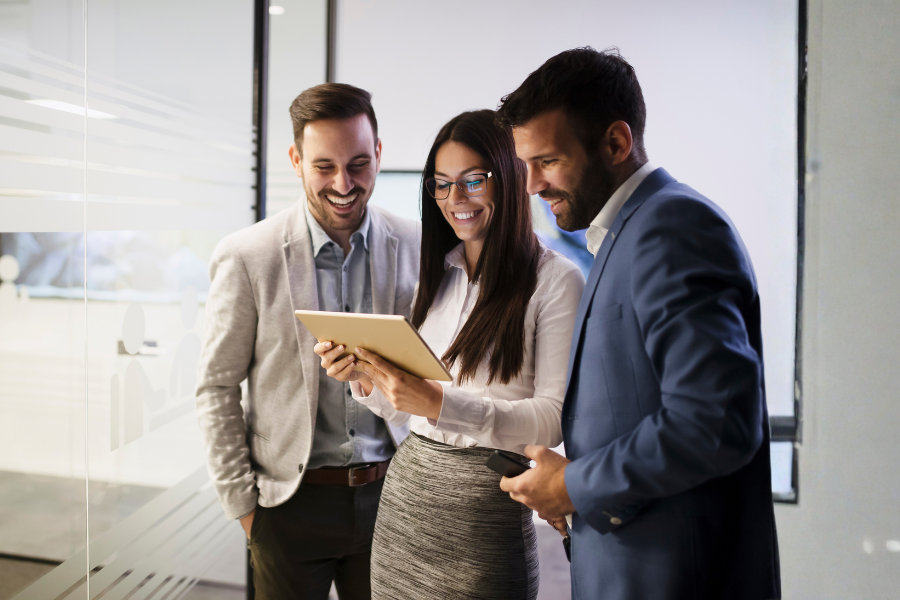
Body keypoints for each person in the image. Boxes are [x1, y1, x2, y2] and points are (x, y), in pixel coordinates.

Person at [496, 47, 781, 600]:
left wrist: (575, 485)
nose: (530, 185)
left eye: (548, 162)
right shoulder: (622, 234)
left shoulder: (671, 226)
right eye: (524, 165)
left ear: (616, 143)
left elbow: (716, 419)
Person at [315, 109, 584, 600]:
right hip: (406, 506)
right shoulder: (440, 273)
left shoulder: (556, 280)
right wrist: (368, 379)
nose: (454, 200)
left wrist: (438, 403)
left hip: (482, 518)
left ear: (509, 178)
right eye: (441, 185)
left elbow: (553, 420)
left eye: (471, 181)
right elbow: (410, 408)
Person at [195, 83, 420, 600]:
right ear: (296, 159)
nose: (344, 183)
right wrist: (246, 510)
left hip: (395, 497)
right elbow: (216, 387)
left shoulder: (417, 246)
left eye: (359, 163)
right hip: (288, 508)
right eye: (324, 167)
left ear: (379, 154)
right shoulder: (248, 255)